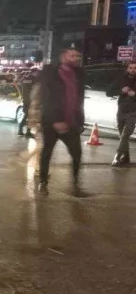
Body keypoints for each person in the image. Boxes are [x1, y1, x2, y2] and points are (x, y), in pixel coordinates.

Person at [38, 48, 86, 196]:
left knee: (77, 154)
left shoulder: (79, 74)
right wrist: (55, 120)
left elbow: (79, 99)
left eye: (78, 55)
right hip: (53, 123)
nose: (76, 58)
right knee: (47, 152)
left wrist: (80, 121)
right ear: (64, 57)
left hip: (71, 122)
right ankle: (43, 182)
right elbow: (46, 98)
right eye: (73, 55)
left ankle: (76, 184)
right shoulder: (51, 73)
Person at [107, 61, 136, 166]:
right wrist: (121, 91)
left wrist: (134, 95)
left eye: (135, 68)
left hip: (133, 112)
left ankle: (117, 157)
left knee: (125, 136)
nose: (133, 70)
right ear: (127, 69)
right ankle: (126, 157)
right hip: (121, 111)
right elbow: (108, 92)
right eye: (131, 68)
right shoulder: (121, 79)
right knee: (122, 136)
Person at [18, 66, 39, 137]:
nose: (37, 74)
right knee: (30, 116)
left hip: (25, 100)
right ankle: (27, 131)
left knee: (27, 115)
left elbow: (20, 86)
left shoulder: (24, 78)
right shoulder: (34, 79)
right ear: (35, 72)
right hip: (31, 100)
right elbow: (36, 90)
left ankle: (22, 129)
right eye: (37, 72)